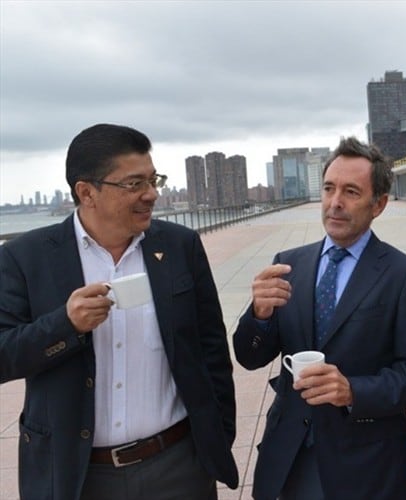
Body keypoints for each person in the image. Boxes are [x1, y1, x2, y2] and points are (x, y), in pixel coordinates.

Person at [0, 124, 239, 499]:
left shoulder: (179, 246)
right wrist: (65, 325)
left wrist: (218, 434)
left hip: (179, 467)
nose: (152, 194)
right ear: (86, 192)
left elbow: (210, 348)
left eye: (153, 179)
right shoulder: (25, 258)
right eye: (134, 184)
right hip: (78, 475)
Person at [232, 137, 406, 500]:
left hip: (364, 460)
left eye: (351, 192)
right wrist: (260, 314)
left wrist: (352, 391)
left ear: (379, 204)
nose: (335, 203)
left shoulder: (404, 275)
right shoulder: (290, 263)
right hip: (290, 454)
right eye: (329, 189)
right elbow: (250, 357)